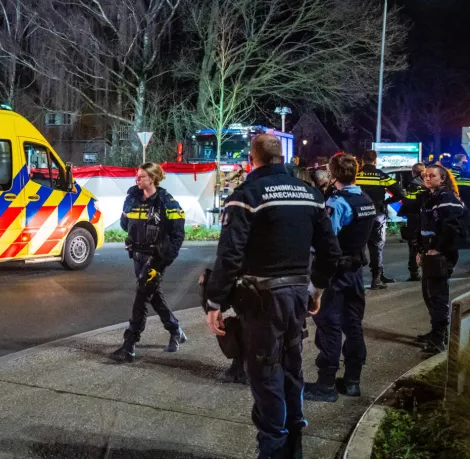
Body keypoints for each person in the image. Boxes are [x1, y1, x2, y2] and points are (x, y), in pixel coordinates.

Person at [205, 135, 341, 459]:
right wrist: (315, 290)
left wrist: (215, 303)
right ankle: (294, 448)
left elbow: (230, 256)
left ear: (253, 158)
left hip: (263, 300)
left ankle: (273, 448)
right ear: (280, 156)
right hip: (296, 296)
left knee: (265, 375)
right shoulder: (311, 195)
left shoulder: (247, 195)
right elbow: (330, 253)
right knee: (292, 370)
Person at [304, 154, 376, 402]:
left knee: (329, 326)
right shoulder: (365, 199)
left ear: (334, 174)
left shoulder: (338, 202)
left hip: (335, 274)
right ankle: (353, 381)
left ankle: (325, 386)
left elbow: (328, 240)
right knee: (353, 326)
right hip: (355, 272)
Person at [111, 162, 187, 362]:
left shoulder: (167, 202)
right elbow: (124, 223)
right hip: (137, 257)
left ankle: (130, 345)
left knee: (141, 297)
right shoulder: (132, 199)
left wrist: (166, 259)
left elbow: (178, 234)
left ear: (152, 179)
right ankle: (175, 329)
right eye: (137, 176)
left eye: (142, 176)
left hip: (156, 259)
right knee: (153, 296)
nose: (137, 179)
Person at [415, 164, 469, 353]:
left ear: (443, 179)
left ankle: (439, 340)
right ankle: (436, 332)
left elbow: (451, 228)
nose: (427, 178)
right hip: (430, 252)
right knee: (428, 294)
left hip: (441, 255)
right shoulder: (432, 196)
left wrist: (437, 250)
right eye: (425, 175)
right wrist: (421, 250)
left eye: (432, 176)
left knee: (437, 296)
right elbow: (427, 227)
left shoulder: (446, 197)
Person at [355, 150, 405, 289]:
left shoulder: (356, 175)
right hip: (377, 214)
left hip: (357, 216)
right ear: (375, 161)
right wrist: (386, 202)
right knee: (376, 246)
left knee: (357, 246)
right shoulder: (381, 176)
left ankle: (356, 279)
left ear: (362, 161)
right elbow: (400, 193)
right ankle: (376, 278)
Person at [397, 163, 427, 281]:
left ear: (413, 172)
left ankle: (414, 272)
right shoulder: (429, 183)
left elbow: (408, 202)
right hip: (427, 219)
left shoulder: (413, 184)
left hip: (414, 219)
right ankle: (429, 270)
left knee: (414, 246)